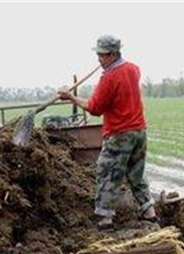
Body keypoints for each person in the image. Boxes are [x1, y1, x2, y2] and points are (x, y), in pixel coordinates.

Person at [57, 35, 157, 230]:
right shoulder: (133, 69)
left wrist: (70, 97)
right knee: (136, 174)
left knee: (107, 173)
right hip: (139, 132)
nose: (99, 59)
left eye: (102, 55)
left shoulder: (109, 77)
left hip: (120, 134)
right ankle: (149, 212)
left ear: (113, 54)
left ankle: (105, 220)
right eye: (98, 55)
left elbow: (95, 108)